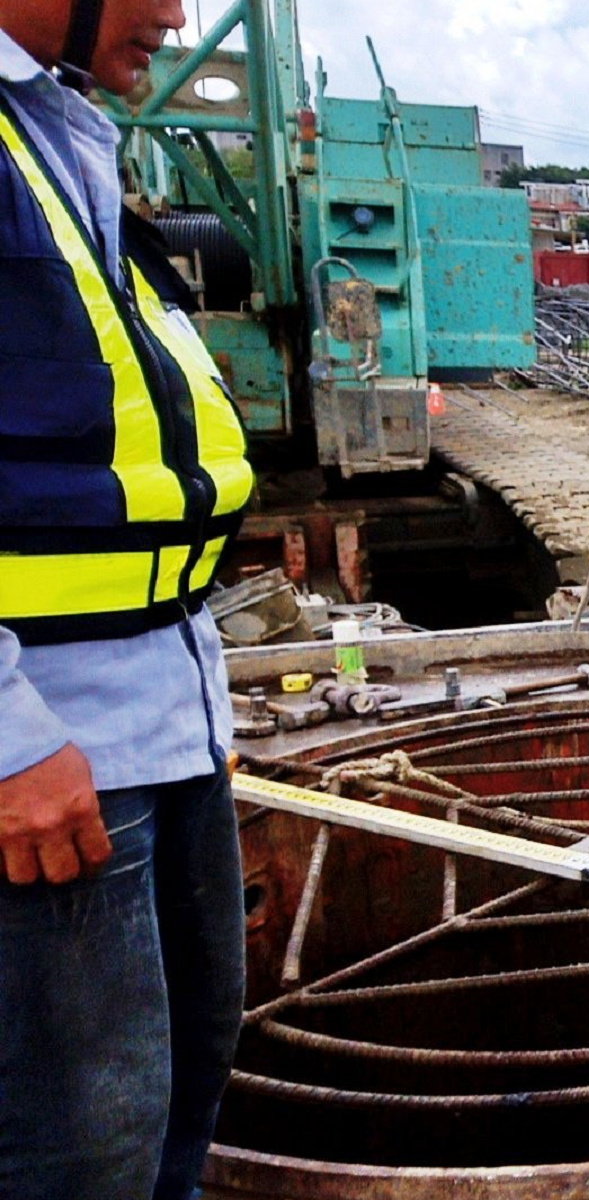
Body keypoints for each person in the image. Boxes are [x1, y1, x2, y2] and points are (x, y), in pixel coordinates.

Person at [0, 2, 255, 1197]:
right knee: (79, 1152)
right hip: (54, 747)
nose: (176, 15)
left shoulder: (55, 133)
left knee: (170, 1109)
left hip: (158, 723)